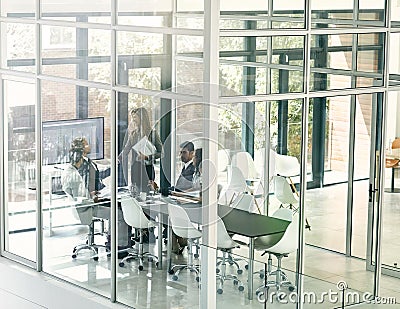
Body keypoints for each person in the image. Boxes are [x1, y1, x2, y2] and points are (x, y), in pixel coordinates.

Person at [62, 146, 130, 258]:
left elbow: (80, 194)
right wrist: (94, 198)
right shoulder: (76, 174)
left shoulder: (70, 170)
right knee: (119, 214)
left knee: (116, 208)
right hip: (87, 208)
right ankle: (119, 247)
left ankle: (112, 241)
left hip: (85, 204)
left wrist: (92, 195)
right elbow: (81, 198)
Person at [119, 107, 162, 193]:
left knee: (148, 194)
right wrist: (118, 158)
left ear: (142, 118)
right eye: (132, 117)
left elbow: (161, 153)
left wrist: (147, 157)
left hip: (147, 169)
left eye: (135, 117)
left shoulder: (152, 134)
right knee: (135, 193)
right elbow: (126, 150)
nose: (133, 120)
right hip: (135, 169)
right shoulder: (133, 134)